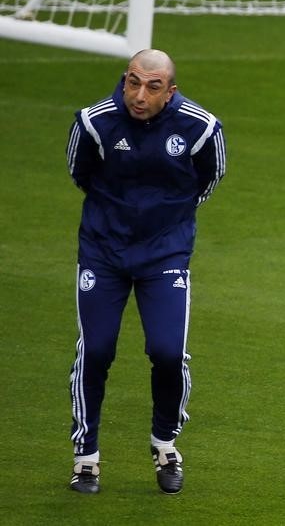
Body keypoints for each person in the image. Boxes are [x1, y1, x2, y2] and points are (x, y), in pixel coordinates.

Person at [66, 49, 226, 493]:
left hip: (165, 256)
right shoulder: (94, 122)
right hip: (103, 251)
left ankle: (165, 443)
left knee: (168, 351)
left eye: (153, 87)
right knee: (95, 350)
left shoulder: (201, 128)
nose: (139, 95)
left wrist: (165, 222)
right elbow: (80, 174)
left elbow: (209, 179)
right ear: (124, 79)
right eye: (133, 82)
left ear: (170, 91)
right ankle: (86, 457)